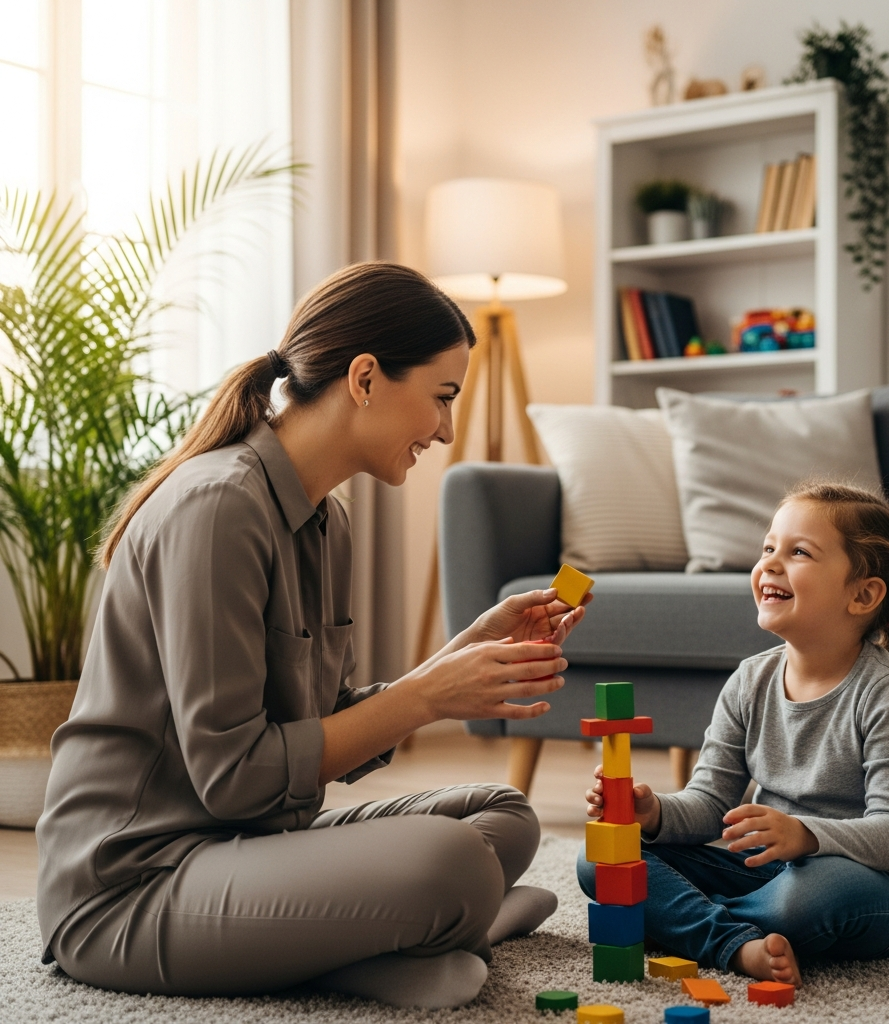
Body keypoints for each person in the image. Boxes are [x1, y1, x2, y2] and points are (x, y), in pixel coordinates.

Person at [36, 262, 588, 1009]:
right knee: (452, 860)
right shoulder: (218, 507)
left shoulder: (326, 520)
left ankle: (395, 941)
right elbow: (235, 777)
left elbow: (323, 721)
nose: (447, 430)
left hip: (251, 848)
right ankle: (424, 934)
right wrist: (428, 699)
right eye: (442, 397)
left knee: (504, 815)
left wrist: (461, 654)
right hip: (132, 888)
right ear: (365, 378)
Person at [579, 482, 889, 987]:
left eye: (798, 552)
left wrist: (804, 835)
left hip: (869, 885)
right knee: (601, 856)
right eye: (768, 548)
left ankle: (689, 923)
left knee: (803, 900)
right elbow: (709, 804)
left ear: (863, 595)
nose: (770, 563)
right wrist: (652, 812)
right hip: (761, 871)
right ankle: (737, 944)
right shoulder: (750, 680)